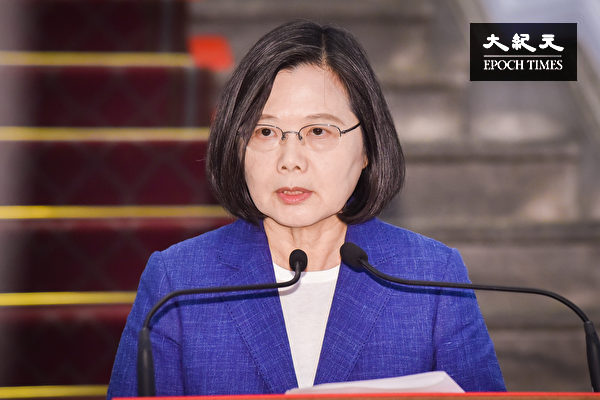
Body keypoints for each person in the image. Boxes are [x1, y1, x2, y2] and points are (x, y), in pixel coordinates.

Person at [107, 20, 505, 397]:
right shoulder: (178, 281)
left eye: (318, 131)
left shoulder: (431, 277)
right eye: (265, 131)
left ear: (368, 147)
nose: (290, 160)